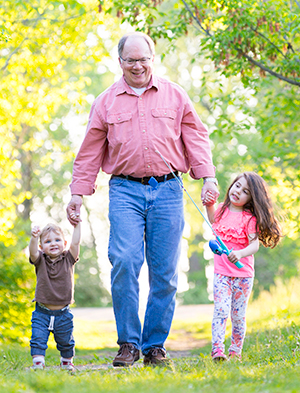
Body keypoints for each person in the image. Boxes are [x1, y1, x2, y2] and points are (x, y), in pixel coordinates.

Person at [66, 31, 219, 367]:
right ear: (120, 62)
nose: (138, 66)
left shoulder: (175, 96)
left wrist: (207, 175)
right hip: (124, 190)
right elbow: (90, 151)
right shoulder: (106, 101)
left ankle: (154, 346)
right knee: (123, 262)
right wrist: (77, 193)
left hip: (168, 190)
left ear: (153, 58)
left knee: (164, 272)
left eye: (143, 59)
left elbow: (196, 136)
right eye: (131, 60)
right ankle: (128, 344)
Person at [204, 172, 282, 361]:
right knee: (221, 310)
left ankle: (235, 351)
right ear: (231, 186)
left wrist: (239, 253)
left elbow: (254, 245)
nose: (238, 192)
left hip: (243, 275)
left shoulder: (249, 219)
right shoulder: (222, 210)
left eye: (245, 191)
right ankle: (217, 350)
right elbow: (212, 218)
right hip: (221, 273)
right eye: (237, 186)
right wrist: (209, 203)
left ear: (251, 198)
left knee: (238, 316)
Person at [28, 219, 80, 370]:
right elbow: (32, 252)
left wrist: (77, 226)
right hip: (41, 312)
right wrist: (34, 237)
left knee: (66, 341)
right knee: (37, 338)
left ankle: (66, 362)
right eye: (48, 241)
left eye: (57, 240)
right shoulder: (40, 260)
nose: (53, 243)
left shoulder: (68, 259)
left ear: (64, 243)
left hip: (63, 313)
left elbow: (75, 243)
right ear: (42, 247)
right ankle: (38, 363)